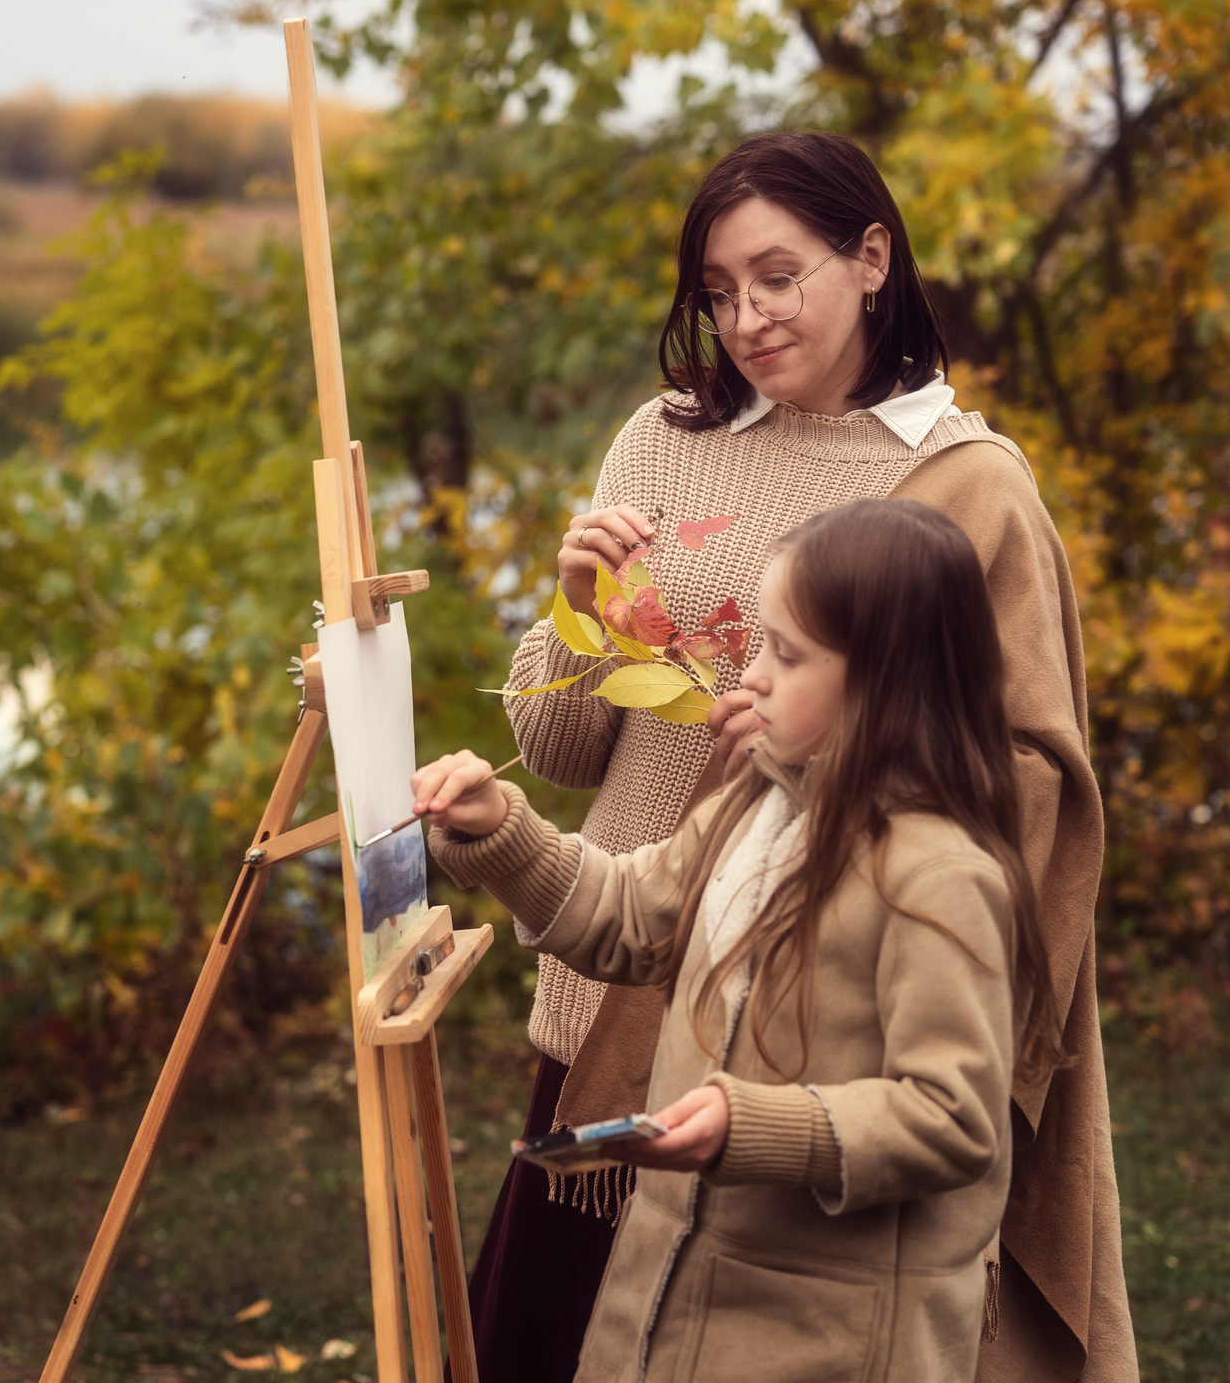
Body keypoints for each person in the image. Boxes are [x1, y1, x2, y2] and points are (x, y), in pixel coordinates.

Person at [473, 130, 1133, 1383]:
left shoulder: (959, 481)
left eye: (778, 277)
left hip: (802, 1036)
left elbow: (1026, 787)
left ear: (871, 256)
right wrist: (568, 609)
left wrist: (811, 767)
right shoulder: (668, 439)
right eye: (717, 292)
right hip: (611, 972)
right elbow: (562, 751)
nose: (746, 318)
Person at [415, 499, 1069, 1383]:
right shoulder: (757, 802)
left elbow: (951, 1122)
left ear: (888, 681)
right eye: (758, 643)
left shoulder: (940, 877)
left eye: (785, 655)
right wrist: (502, 831)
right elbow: (634, 917)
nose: (748, 678)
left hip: (829, 1339)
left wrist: (747, 1126)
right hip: (669, 1305)